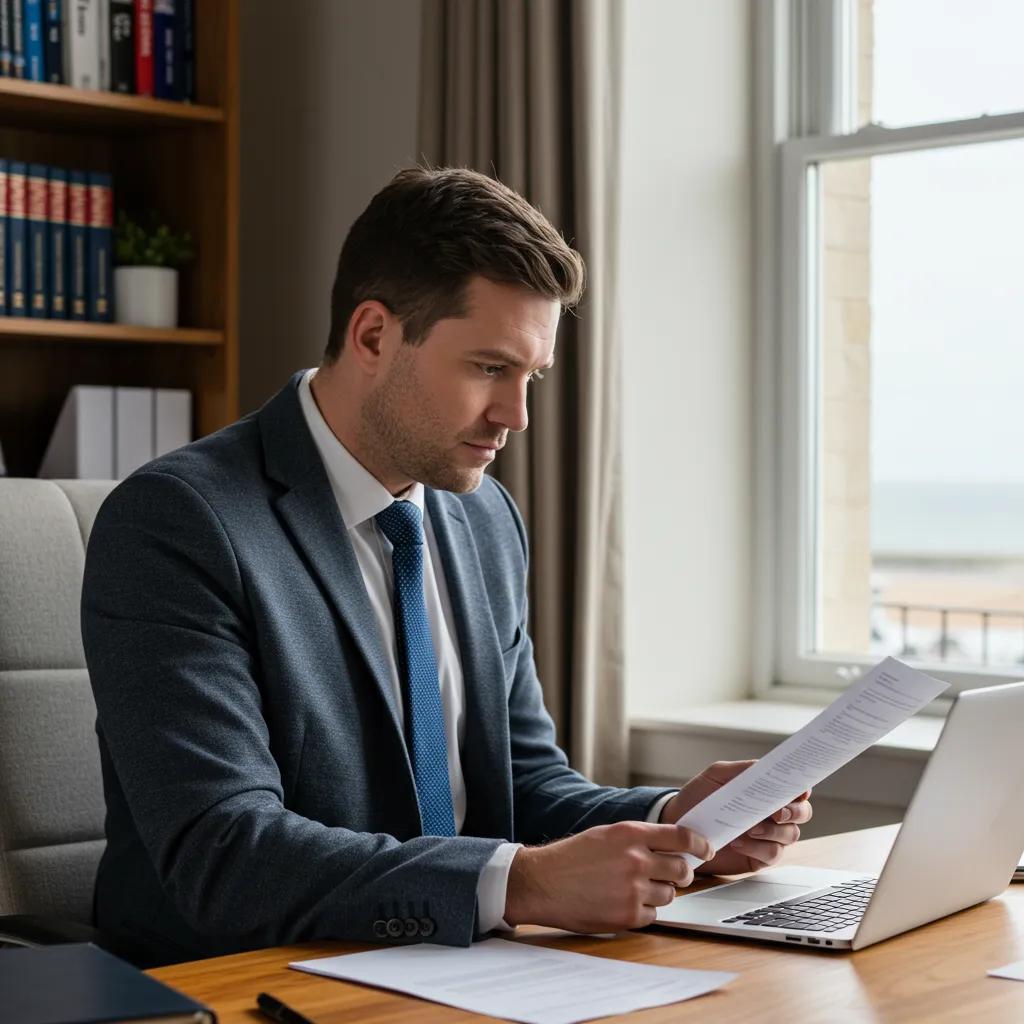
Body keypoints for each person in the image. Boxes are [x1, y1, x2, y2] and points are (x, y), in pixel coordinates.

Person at [82, 167, 811, 967]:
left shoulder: (484, 519)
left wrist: (679, 822)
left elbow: (523, 788)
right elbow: (224, 853)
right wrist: (521, 885)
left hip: (456, 967)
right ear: (372, 336)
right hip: (238, 981)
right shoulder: (180, 523)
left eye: (532, 377)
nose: (517, 416)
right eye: (489, 368)